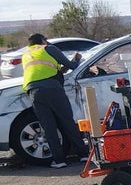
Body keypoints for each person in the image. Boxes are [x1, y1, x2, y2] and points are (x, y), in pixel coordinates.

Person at [21, 33, 90, 169]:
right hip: (53, 89)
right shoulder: (48, 48)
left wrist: (60, 70)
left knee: (49, 127)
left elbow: (42, 69)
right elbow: (72, 65)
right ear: (43, 40)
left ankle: (59, 160)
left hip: (34, 92)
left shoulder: (26, 55)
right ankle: (83, 154)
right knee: (67, 121)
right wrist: (76, 58)